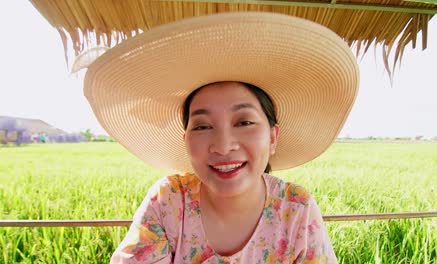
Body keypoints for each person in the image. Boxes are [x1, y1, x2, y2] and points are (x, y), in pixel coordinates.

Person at [83, 12, 358, 263]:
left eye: (245, 122)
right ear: (186, 139)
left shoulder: (296, 210)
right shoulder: (169, 201)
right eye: (202, 127)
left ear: (273, 137)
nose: (224, 146)